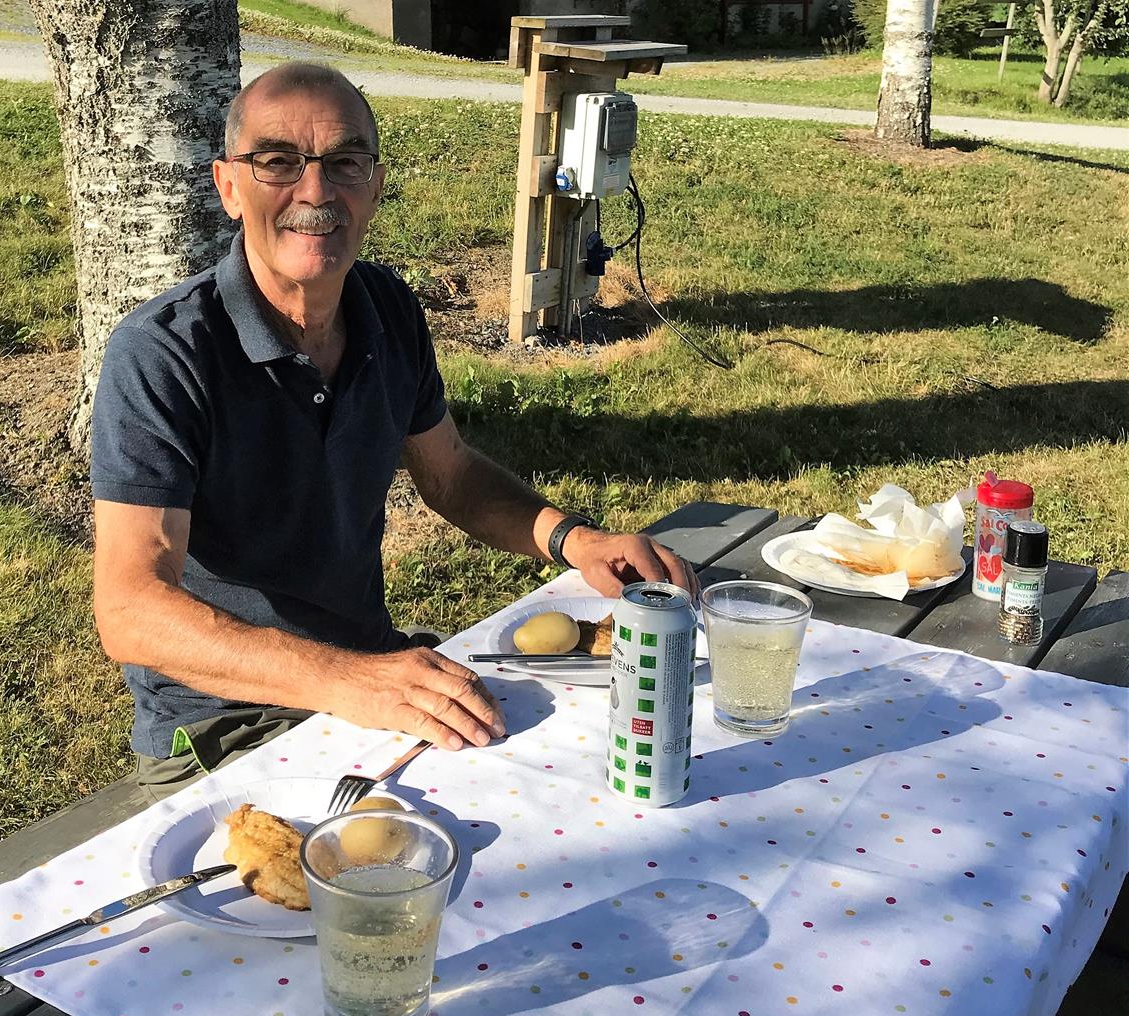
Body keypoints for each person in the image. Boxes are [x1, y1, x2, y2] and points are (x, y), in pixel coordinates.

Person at [90, 63, 699, 801]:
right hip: (226, 726)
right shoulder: (163, 353)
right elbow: (131, 610)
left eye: (345, 162)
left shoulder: (386, 307)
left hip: (372, 678)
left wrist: (573, 540)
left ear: (375, 186)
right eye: (278, 161)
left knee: (602, 768)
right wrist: (347, 679)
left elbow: (452, 475)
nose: (316, 192)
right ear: (228, 186)